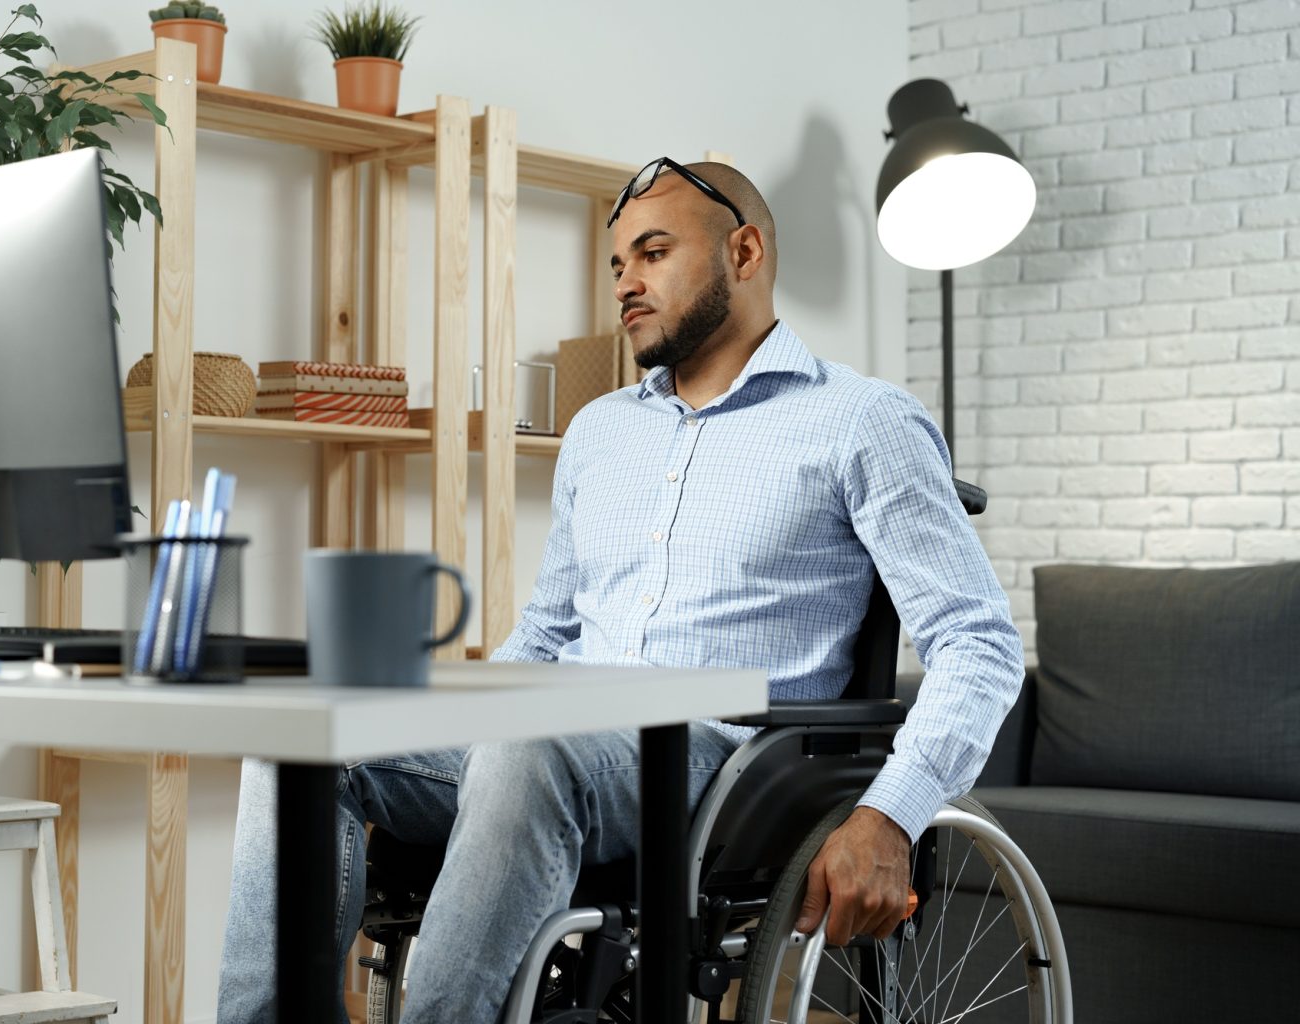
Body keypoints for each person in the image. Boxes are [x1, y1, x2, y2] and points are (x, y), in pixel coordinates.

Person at [216, 158, 1024, 1024]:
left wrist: (890, 816)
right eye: (616, 265)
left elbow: (979, 645)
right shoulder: (600, 432)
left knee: (529, 754)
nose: (625, 283)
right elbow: (547, 630)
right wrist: (433, 707)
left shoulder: (863, 421)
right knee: (299, 738)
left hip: (722, 765)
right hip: (548, 743)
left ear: (743, 251)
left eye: (652, 253)